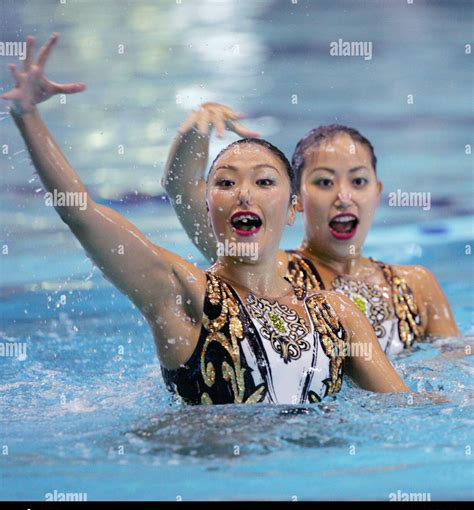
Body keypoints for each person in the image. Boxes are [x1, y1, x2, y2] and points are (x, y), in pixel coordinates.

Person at [2, 34, 409, 406]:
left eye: (264, 181)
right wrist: (28, 116)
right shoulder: (183, 293)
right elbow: (80, 212)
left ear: (292, 209)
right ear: (208, 205)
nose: (244, 193)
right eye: (226, 182)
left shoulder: (337, 313)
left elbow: (403, 410)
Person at [162, 102, 459, 355]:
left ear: (377, 192)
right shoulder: (266, 271)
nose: (344, 197)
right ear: (297, 200)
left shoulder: (415, 284)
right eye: (324, 182)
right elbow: (183, 189)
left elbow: (454, 368)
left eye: (358, 182)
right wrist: (195, 129)